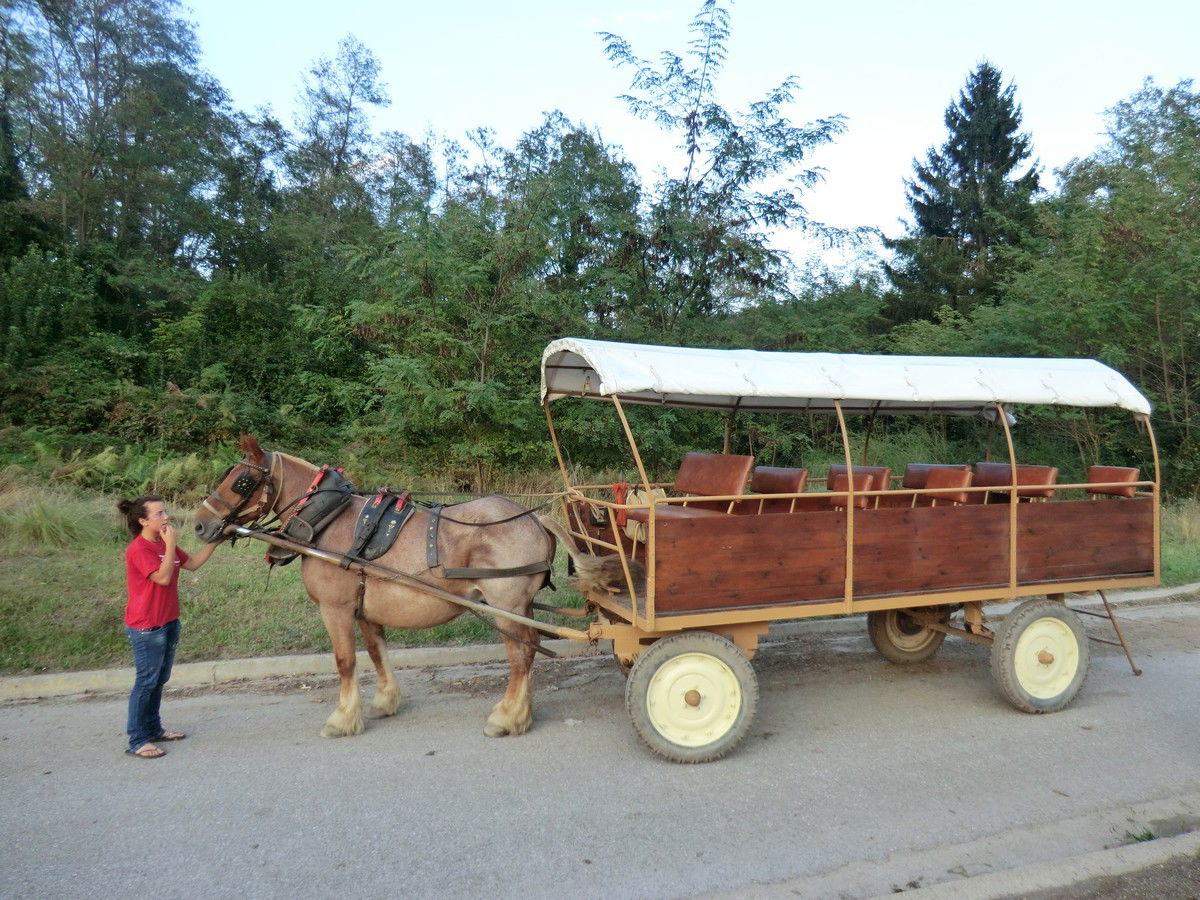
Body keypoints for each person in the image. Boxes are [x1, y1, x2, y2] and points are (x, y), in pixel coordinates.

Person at [117, 494, 220, 759]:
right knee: (146, 682)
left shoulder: (165, 544)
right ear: (143, 521)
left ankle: (153, 729)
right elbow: (162, 578)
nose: (166, 517)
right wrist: (171, 543)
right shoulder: (139, 549)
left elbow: (193, 564)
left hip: (169, 621)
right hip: (146, 626)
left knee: (159, 680)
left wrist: (218, 539)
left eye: (166, 511)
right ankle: (137, 739)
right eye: (159, 514)